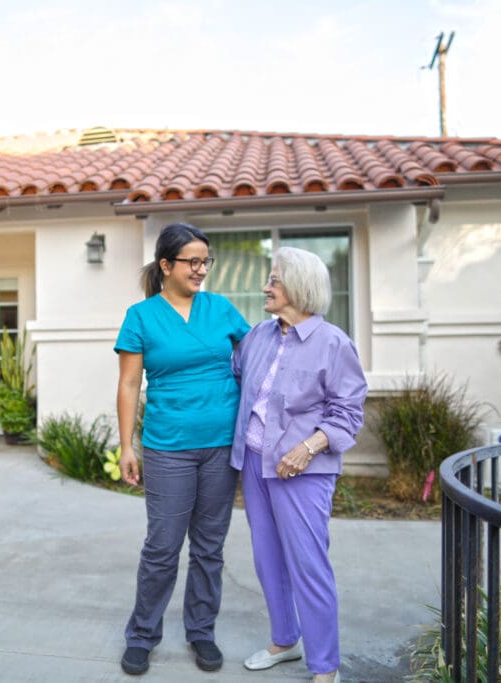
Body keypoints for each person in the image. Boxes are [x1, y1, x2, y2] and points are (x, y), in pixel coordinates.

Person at [114, 223, 250, 676]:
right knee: (162, 547)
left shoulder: (221, 309)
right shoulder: (141, 315)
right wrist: (126, 444)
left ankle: (201, 631)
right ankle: (142, 635)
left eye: (205, 261)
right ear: (166, 265)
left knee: (210, 547)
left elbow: (257, 359)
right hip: (168, 446)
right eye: (192, 261)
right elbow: (130, 383)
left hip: (221, 444)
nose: (201, 269)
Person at [231, 247, 367, 683]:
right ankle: (284, 639)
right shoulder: (260, 335)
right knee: (267, 558)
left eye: (273, 281)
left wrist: (307, 447)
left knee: (308, 564)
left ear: (299, 287)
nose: (265, 288)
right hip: (254, 463)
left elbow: (348, 412)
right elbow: (236, 377)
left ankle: (325, 666)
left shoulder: (334, 343)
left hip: (303, 471)